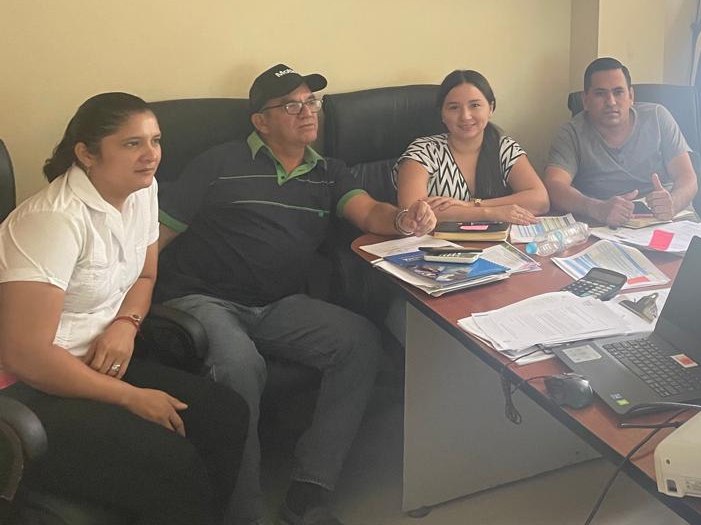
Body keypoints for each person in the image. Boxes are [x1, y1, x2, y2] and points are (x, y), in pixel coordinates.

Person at [155, 64, 436, 525]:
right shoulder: (219, 163)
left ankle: (308, 491)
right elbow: (157, 238)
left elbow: (370, 213)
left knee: (360, 343)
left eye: (311, 102)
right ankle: (243, 512)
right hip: (202, 299)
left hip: (278, 304)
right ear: (261, 121)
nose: (307, 112)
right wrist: (128, 309)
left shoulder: (329, 172)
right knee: (239, 367)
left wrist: (405, 220)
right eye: (291, 105)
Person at [0, 93, 248, 524]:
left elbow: (145, 276)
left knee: (225, 414)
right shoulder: (53, 220)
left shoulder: (143, 192)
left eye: (155, 140)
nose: (151, 155)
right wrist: (131, 398)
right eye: (132, 143)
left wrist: (126, 324)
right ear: (87, 154)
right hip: (31, 384)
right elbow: (26, 355)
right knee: (173, 465)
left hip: (98, 360)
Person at [544, 57, 697, 228]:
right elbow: (554, 186)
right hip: (609, 226)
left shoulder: (658, 117)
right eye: (600, 94)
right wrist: (597, 209)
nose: (611, 102)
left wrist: (673, 203)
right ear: (585, 100)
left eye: (618, 92)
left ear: (631, 96)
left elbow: (687, 177)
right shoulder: (571, 133)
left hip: (668, 221)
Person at [396, 69, 550, 224]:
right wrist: (490, 213)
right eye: (454, 107)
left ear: (490, 108)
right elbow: (412, 212)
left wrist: (473, 205)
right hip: (438, 239)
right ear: (442, 114)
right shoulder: (423, 151)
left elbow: (540, 201)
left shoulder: (503, 148)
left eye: (475, 105)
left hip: (494, 239)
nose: (465, 116)